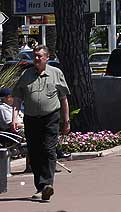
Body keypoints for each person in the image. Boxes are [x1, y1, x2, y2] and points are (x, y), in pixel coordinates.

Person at [11, 45, 70, 202]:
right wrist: (14, 117)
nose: (36, 59)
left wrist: (66, 120)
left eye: (39, 56)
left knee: (48, 149)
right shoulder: (26, 75)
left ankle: (47, 184)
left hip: (50, 117)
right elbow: (18, 97)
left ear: (47, 58)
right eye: (35, 56)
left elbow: (63, 98)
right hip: (31, 118)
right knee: (35, 152)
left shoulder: (56, 74)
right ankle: (41, 186)